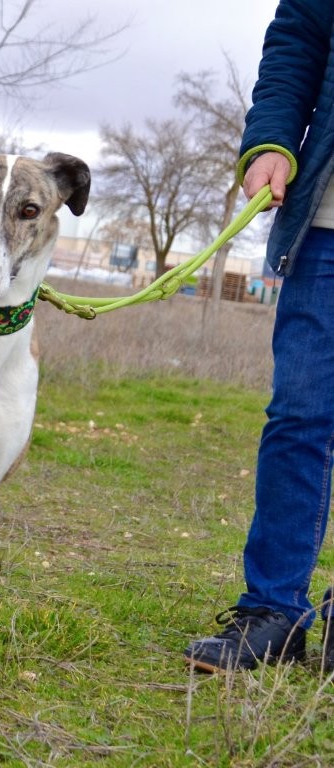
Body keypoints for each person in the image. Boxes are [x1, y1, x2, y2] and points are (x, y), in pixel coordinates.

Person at [184, 0, 334, 674]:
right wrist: (271, 141)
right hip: (327, 226)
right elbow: (296, 43)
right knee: (298, 416)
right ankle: (273, 612)